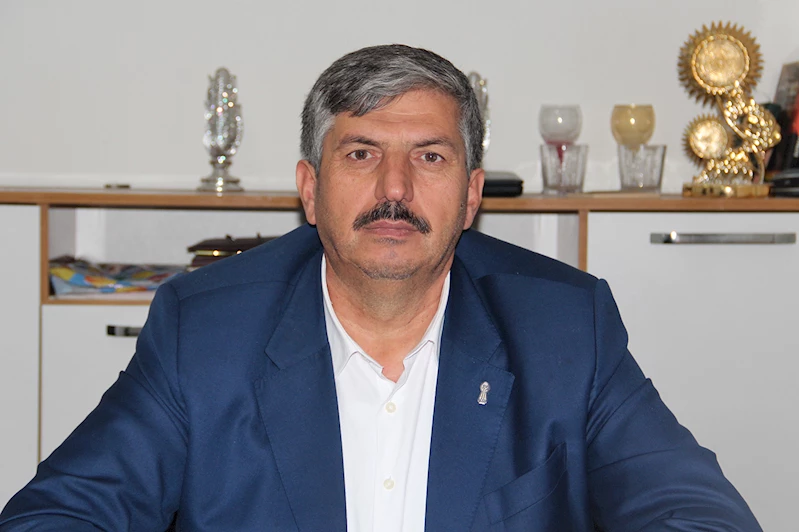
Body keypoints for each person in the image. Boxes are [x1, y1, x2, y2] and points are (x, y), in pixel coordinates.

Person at [0, 44, 761, 532]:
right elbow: (59, 514)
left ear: (471, 194)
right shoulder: (205, 332)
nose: (394, 189)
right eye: (361, 153)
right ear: (310, 188)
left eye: (429, 158)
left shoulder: (563, 327)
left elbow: (696, 513)